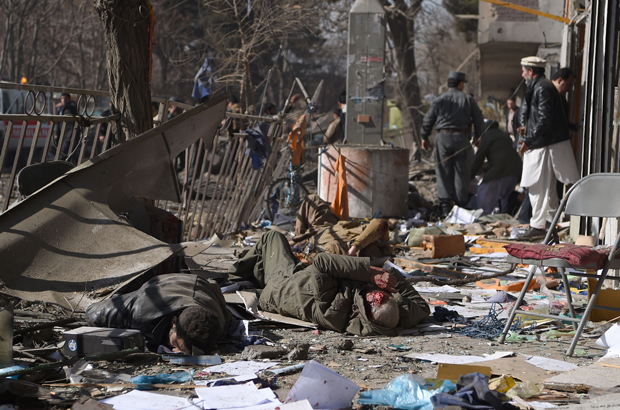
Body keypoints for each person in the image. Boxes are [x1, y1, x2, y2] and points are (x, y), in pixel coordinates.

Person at [228, 230, 429, 336]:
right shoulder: (396, 316)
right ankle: (255, 272)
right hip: (307, 278)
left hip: (283, 286)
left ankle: (234, 276)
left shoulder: (335, 312)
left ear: (368, 307)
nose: (377, 291)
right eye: (385, 294)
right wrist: (389, 278)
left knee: (272, 237)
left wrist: (367, 273)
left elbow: (323, 262)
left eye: (377, 296)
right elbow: (422, 307)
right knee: (267, 261)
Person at [85, 274, 232, 354]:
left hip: (203, 285)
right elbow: (93, 314)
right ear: (173, 322)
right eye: (175, 344)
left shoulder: (215, 326)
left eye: (181, 350)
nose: (174, 351)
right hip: (163, 283)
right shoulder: (142, 310)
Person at [516, 57, 580, 239]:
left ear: (530, 71)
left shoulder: (542, 87)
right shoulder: (539, 86)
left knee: (538, 188)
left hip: (543, 146)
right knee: (548, 189)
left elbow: (544, 118)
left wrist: (529, 139)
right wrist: (524, 126)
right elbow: (527, 112)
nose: (522, 74)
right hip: (543, 144)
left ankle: (538, 226)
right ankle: (550, 226)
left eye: (523, 70)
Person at [421, 71, 485, 217]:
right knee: (461, 173)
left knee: (442, 171)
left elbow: (428, 119)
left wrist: (424, 136)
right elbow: (479, 119)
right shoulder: (467, 99)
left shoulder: (439, 99)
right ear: (461, 83)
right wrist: (477, 136)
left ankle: (444, 208)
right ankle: (459, 206)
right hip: (461, 138)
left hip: (442, 138)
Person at [294, 195, 392, 261]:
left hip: (317, 239)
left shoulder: (341, 258)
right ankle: (298, 237)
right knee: (312, 199)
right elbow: (380, 223)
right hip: (329, 226)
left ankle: (299, 239)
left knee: (297, 243)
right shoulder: (380, 243)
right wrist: (355, 247)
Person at [470, 120, 522, 215]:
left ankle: (483, 220)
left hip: (501, 170)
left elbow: (478, 159)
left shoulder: (487, 135)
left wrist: (469, 177)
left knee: (483, 193)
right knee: (505, 198)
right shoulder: (502, 134)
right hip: (515, 171)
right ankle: (504, 218)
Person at [53, 93, 79, 162]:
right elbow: (59, 122)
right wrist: (57, 134)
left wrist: (65, 105)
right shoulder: (61, 109)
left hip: (70, 133)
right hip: (62, 134)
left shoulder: (72, 106)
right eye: (62, 99)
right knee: (70, 153)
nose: (63, 100)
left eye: (65, 99)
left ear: (69, 99)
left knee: (64, 152)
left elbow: (74, 108)